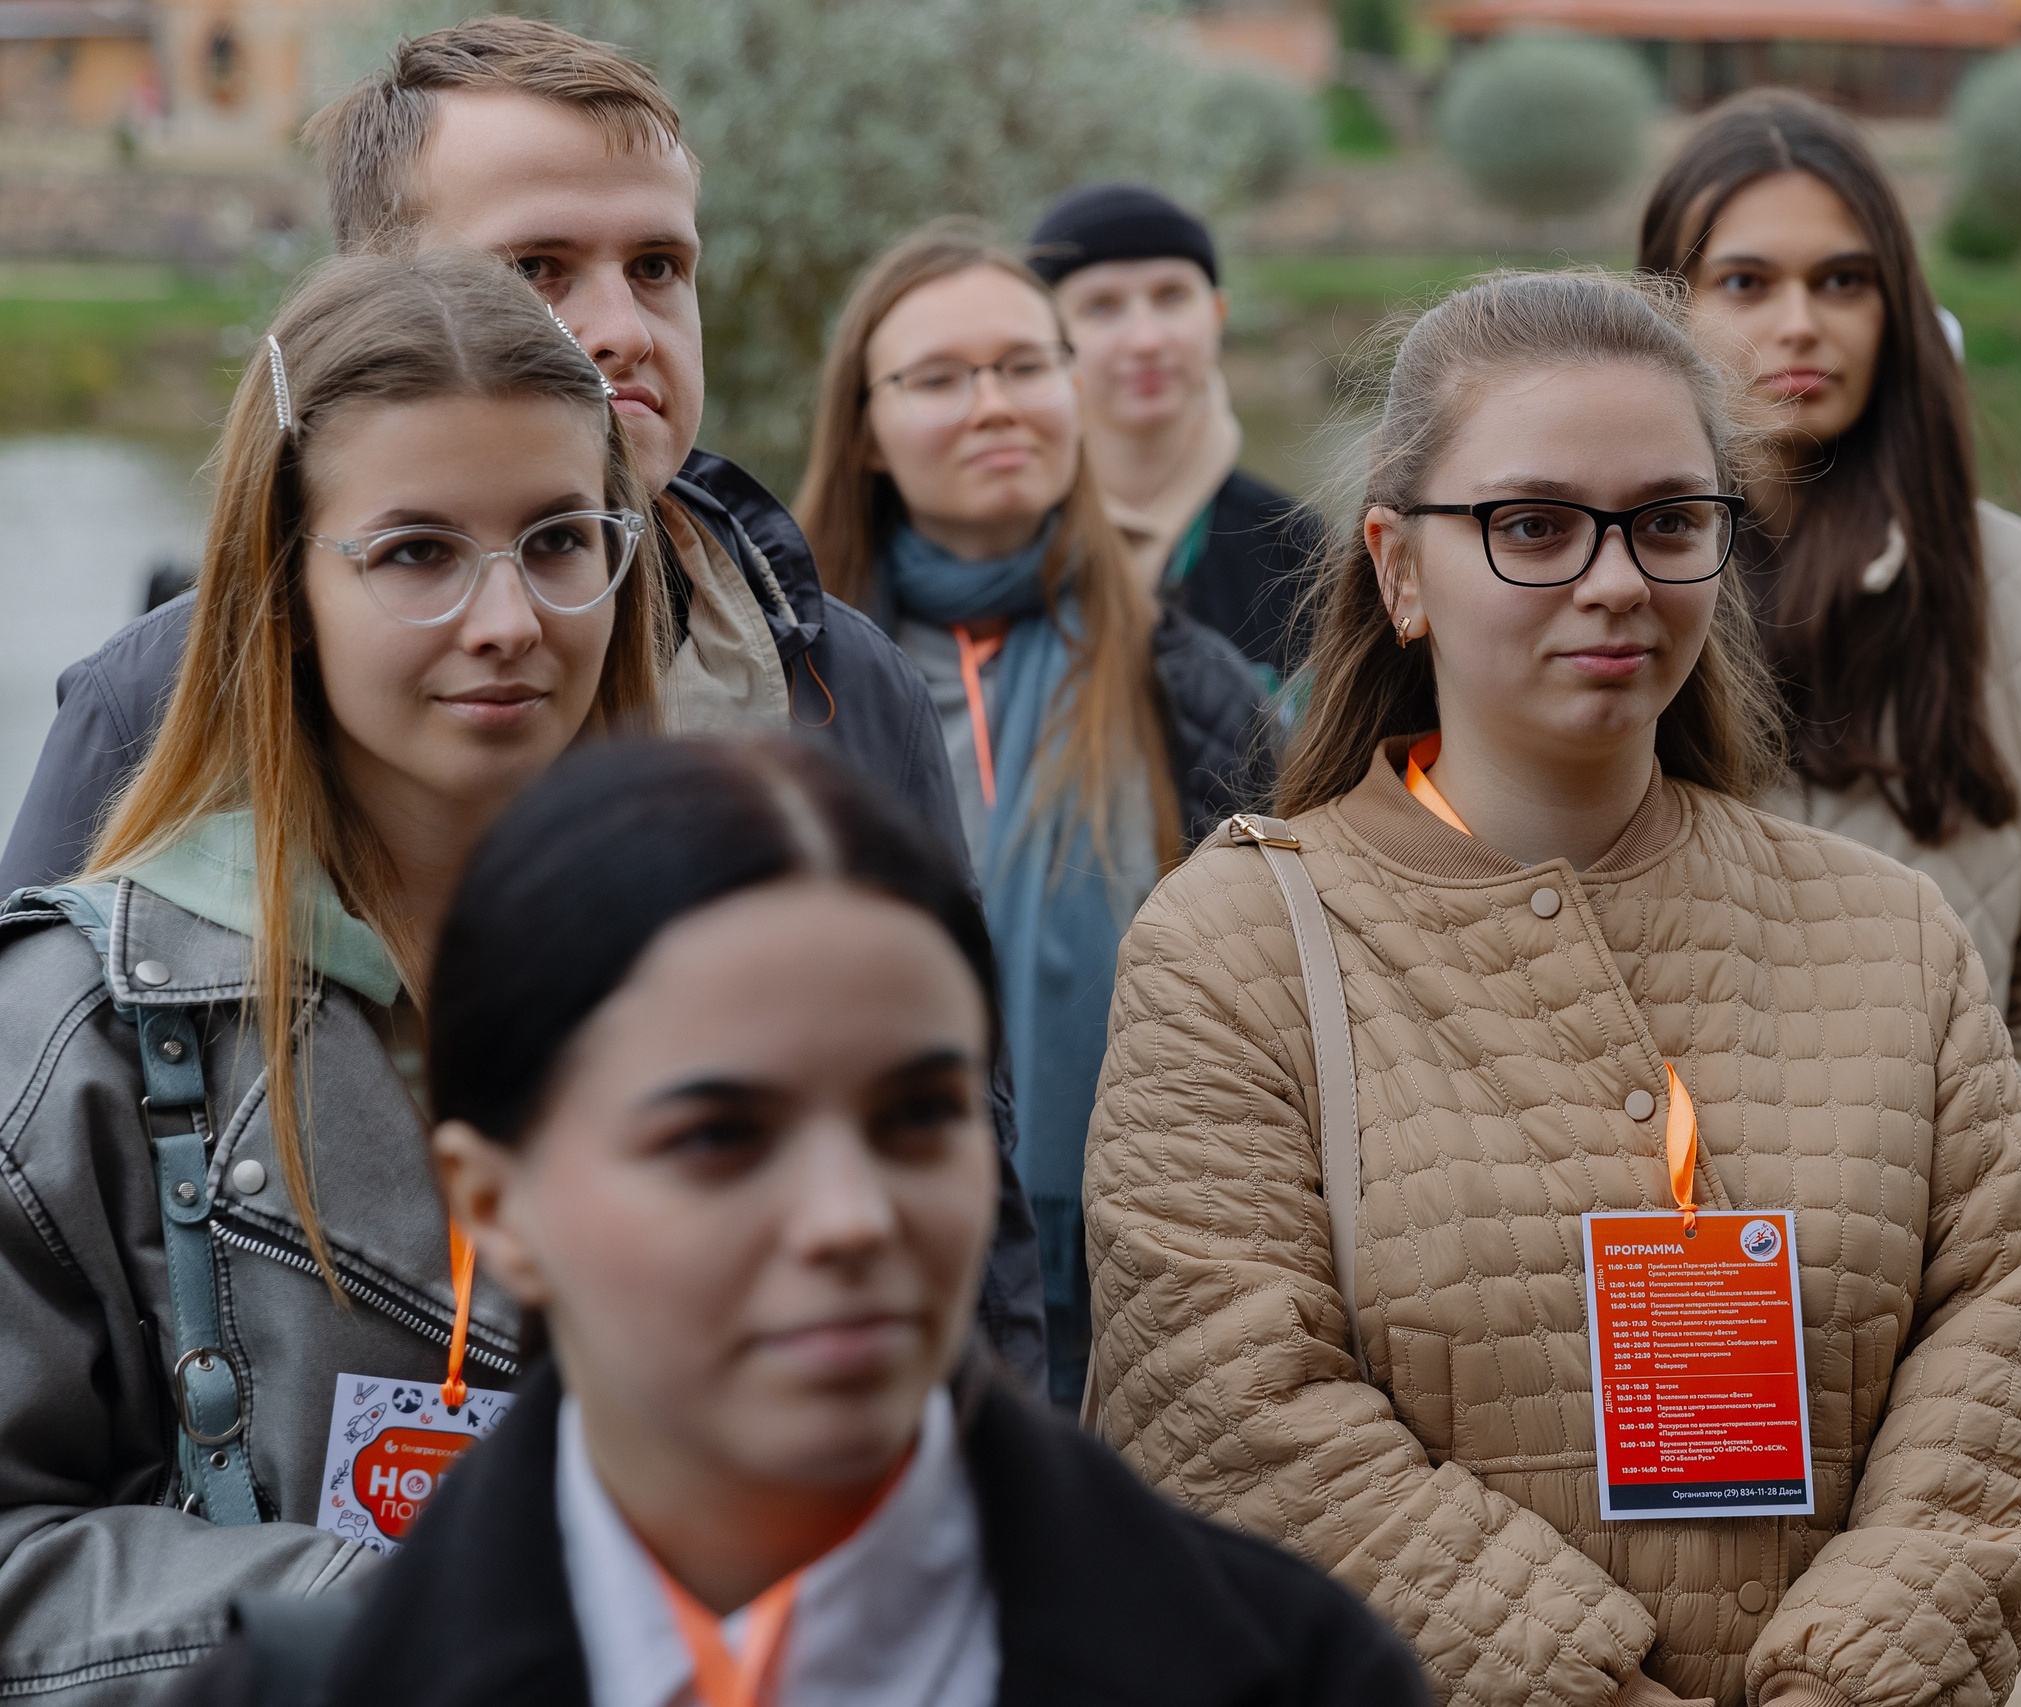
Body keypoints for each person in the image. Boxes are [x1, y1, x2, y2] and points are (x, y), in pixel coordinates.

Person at [0, 14, 1045, 1379]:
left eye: (659, 266)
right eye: (538, 267)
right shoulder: (158, 697)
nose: (621, 328)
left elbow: (970, 1191)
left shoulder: (836, 681)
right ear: (378, 305)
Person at [1083, 271, 2021, 1707]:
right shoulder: (1229, 951)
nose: (1615, 580)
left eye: (1668, 521)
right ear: (1399, 567)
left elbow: (1995, 1368)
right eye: (1533, 526)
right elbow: (1231, 1416)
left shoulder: (1893, 936)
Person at [167, 736, 1432, 1707]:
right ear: (496, 1207)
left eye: (917, 1118)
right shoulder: (298, 1692)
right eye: (720, 1139)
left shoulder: (1296, 1677)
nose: (849, 1220)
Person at [0, 251, 666, 1703]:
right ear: (284, 584)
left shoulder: (737, 983)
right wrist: (373, 1620)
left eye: (561, 539)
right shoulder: (79, 1031)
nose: (509, 619)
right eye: (418, 552)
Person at [1637, 90, 2021, 1289]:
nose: (1799, 324)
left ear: (1898, 308)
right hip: (1655, 1286)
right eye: (1744, 282)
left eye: (1843, 281)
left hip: (1945, 1284)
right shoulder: (1599, 595)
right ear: (1664, 307)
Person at [795, 220, 1270, 1407]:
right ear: (864, 430)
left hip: (1150, 1280)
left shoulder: (1188, 687)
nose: (995, 406)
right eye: (939, 379)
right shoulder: (782, 683)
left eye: (1023, 365)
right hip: (855, 1256)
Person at [1029, 182, 1326, 684]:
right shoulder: (1001, 539)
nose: (1146, 339)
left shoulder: (1302, 556)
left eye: (1171, 296)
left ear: (1218, 315)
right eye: (1101, 306)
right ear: (1046, 337)